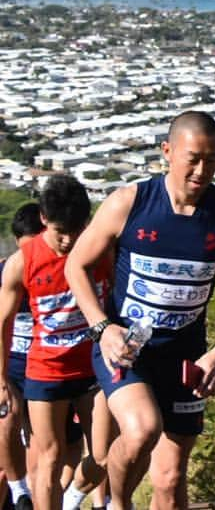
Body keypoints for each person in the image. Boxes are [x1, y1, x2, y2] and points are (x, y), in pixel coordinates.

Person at [66, 111, 215, 510]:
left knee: (171, 481)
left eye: (212, 159)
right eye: (193, 158)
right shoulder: (130, 202)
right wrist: (102, 328)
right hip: (126, 345)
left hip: (187, 354)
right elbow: (76, 266)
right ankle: (118, 504)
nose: (202, 170)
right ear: (167, 152)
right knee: (141, 432)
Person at [0, 178, 111, 510]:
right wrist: (2, 377)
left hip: (93, 368)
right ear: (44, 220)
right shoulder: (22, 262)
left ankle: (72, 498)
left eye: (75, 231)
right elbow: (3, 322)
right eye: (60, 231)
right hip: (46, 371)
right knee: (49, 457)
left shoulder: (101, 248)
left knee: (105, 454)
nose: (67, 240)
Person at [0, 202, 45, 510]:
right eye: (23, 253)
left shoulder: (61, 270)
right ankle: (20, 494)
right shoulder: (7, 271)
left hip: (46, 364)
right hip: (12, 364)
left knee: (43, 446)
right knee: (6, 422)